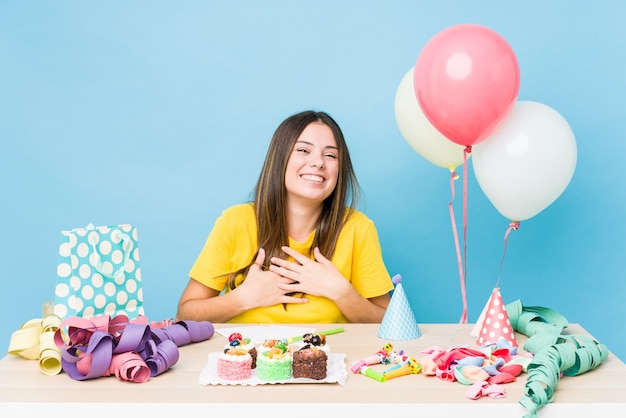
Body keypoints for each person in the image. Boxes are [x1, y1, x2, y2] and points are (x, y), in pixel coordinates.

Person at [176, 110, 394, 324]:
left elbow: (390, 323)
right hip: (247, 357)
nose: (318, 162)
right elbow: (185, 314)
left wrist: (341, 292)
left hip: (330, 357)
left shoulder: (357, 228)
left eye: (330, 155)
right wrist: (243, 298)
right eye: (303, 150)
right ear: (280, 159)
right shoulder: (235, 222)